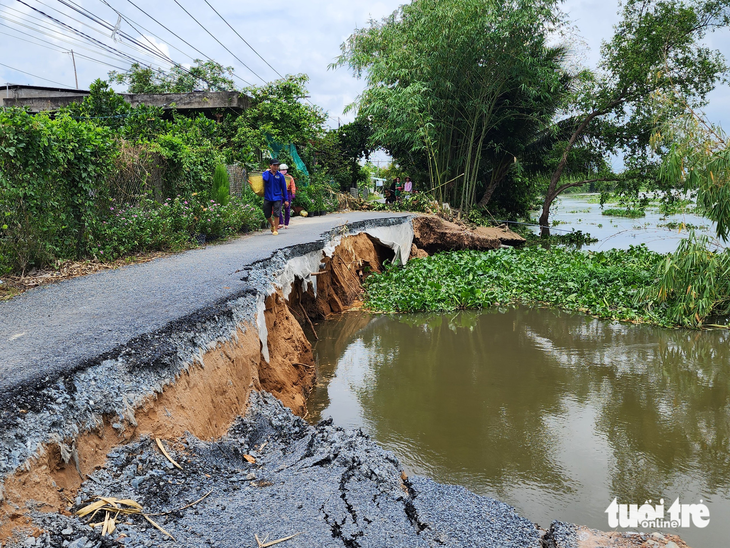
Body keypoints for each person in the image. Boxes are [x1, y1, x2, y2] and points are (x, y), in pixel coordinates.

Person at [261, 159, 288, 235]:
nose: (276, 167)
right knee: (267, 214)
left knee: (276, 213)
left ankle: (276, 229)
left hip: (277, 197)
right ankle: (272, 224)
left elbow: (284, 188)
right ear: (270, 165)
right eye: (274, 165)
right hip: (268, 197)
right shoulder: (266, 174)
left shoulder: (280, 176)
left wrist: (286, 199)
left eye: (277, 166)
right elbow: (265, 179)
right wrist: (266, 171)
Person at [278, 163, 297, 229]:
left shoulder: (289, 177)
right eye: (282, 170)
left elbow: (293, 186)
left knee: (287, 209)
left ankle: (286, 223)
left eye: (284, 169)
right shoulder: (277, 176)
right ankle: (280, 222)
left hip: (287, 192)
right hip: (279, 193)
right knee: (278, 207)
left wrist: (293, 193)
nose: (283, 171)